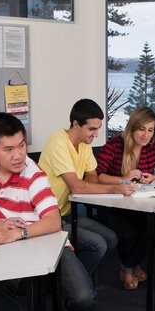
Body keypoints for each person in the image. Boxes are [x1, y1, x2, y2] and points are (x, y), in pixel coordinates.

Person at [0, 112, 96, 311]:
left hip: (46, 239)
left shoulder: (33, 174)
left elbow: (53, 221)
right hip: (9, 243)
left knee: (83, 297)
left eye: (22, 145)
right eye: (8, 149)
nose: (18, 155)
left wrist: (16, 233)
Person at [38, 99, 134, 285]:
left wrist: (88, 186)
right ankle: (71, 287)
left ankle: (70, 282)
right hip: (47, 218)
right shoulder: (58, 142)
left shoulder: (84, 144)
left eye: (98, 128)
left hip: (66, 212)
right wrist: (116, 188)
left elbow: (92, 178)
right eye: (92, 129)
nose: (96, 134)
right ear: (75, 124)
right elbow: (77, 187)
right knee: (97, 245)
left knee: (111, 238)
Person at [93, 106, 155, 289]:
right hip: (112, 202)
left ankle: (129, 265)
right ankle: (129, 268)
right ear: (132, 127)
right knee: (130, 231)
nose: (146, 135)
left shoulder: (154, 145)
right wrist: (122, 180)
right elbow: (98, 176)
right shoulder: (115, 145)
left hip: (139, 202)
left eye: (150, 130)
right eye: (142, 129)